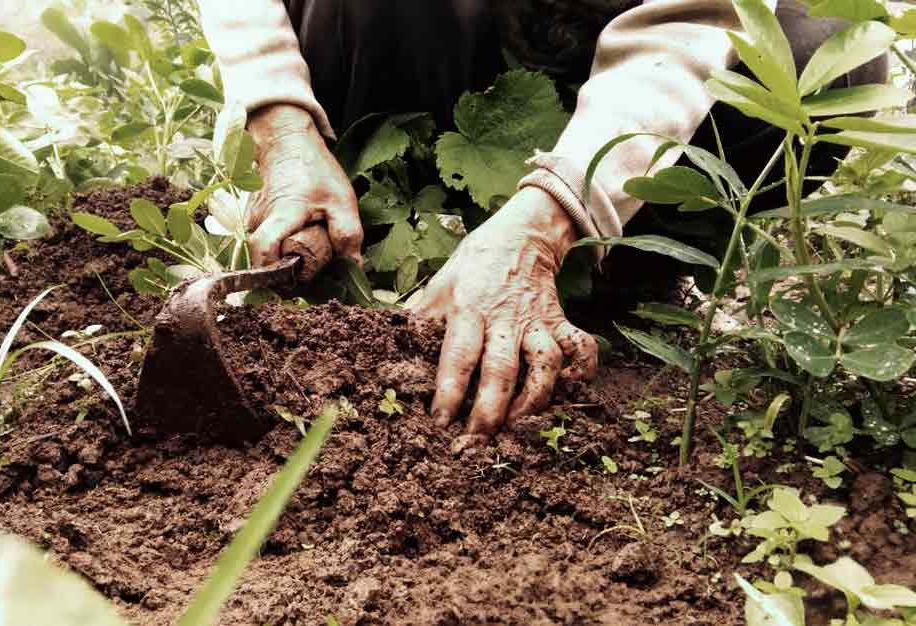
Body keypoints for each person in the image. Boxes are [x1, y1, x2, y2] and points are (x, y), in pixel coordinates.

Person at [196, 0, 887, 449]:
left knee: (827, 47)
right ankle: (382, 221)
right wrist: (279, 117)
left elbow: (696, 17)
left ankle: (616, 270)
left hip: (607, 29)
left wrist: (549, 218)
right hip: (432, 41)